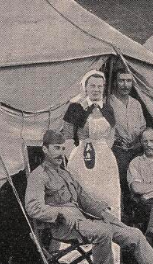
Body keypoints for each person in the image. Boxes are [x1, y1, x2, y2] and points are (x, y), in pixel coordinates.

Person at [25, 130, 153, 264]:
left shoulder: (65, 173)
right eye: (56, 148)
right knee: (103, 231)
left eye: (63, 148)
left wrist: (102, 212)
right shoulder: (38, 176)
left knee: (133, 233)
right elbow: (33, 207)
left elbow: (84, 198)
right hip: (63, 224)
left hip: (83, 221)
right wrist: (60, 213)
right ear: (45, 149)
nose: (60, 153)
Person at [62, 69, 121, 227]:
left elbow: (112, 133)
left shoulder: (107, 108)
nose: (96, 89)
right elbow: (68, 136)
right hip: (82, 158)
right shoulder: (75, 107)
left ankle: (109, 242)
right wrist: (74, 154)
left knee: (107, 198)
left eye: (100, 86)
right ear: (85, 87)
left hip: (105, 161)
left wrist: (104, 151)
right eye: (92, 86)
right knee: (86, 195)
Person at [109, 69, 147, 222]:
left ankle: (136, 218)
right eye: (121, 80)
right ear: (115, 82)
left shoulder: (136, 104)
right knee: (120, 184)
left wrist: (137, 141)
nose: (125, 85)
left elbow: (142, 127)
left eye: (128, 81)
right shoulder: (109, 102)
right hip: (118, 150)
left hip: (135, 149)